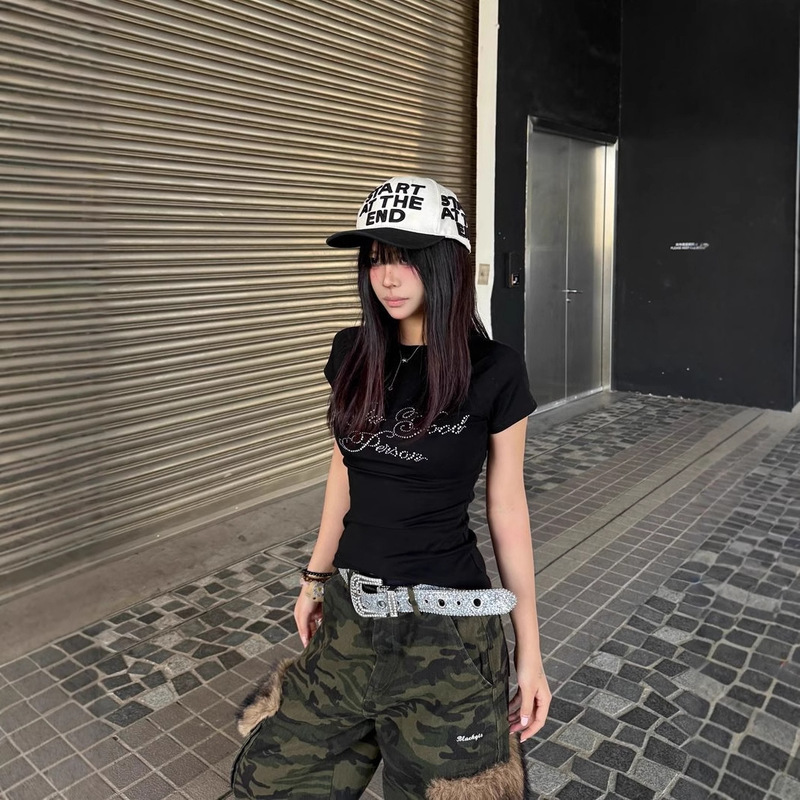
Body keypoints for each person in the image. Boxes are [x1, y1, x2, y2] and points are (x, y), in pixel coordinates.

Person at [231, 176, 550, 799]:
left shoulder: (495, 370)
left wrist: (530, 651)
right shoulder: (352, 351)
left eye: (407, 257)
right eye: (376, 258)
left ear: (448, 263)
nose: (388, 277)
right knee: (270, 781)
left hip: (448, 634)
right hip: (349, 618)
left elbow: (508, 507)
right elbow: (343, 472)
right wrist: (315, 578)